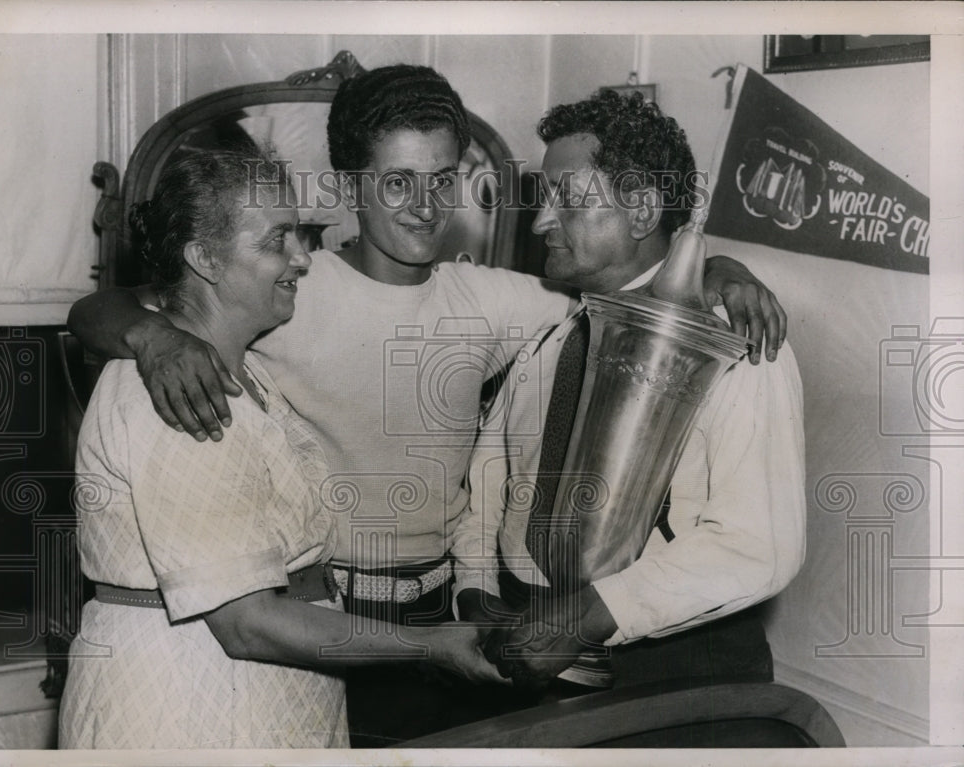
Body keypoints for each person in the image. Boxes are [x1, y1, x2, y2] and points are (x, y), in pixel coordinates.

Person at [67, 65, 787, 745]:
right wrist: (150, 337)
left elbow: (634, 281)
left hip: (449, 618)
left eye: (442, 181)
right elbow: (99, 308)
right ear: (352, 184)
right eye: (398, 182)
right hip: (319, 614)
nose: (425, 205)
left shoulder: (500, 301)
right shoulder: (285, 287)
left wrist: (715, 268)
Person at [58, 150, 501, 750]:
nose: (302, 257)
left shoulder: (247, 371)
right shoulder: (176, 394)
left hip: (263, 703)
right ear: (205, 259)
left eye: (299, 233)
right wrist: (435, 645)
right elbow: (245, 623)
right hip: (189, 707)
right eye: (276, 240)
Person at [453, 89, 806, 705]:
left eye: (567, 201)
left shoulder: (733, 341)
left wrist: (588, 617)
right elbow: (487, 488)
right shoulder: (551, 338)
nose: (539, 223)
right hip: (532, 655)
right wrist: (478, 600)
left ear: (642, 209)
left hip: (676, 673)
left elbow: (759, 545)